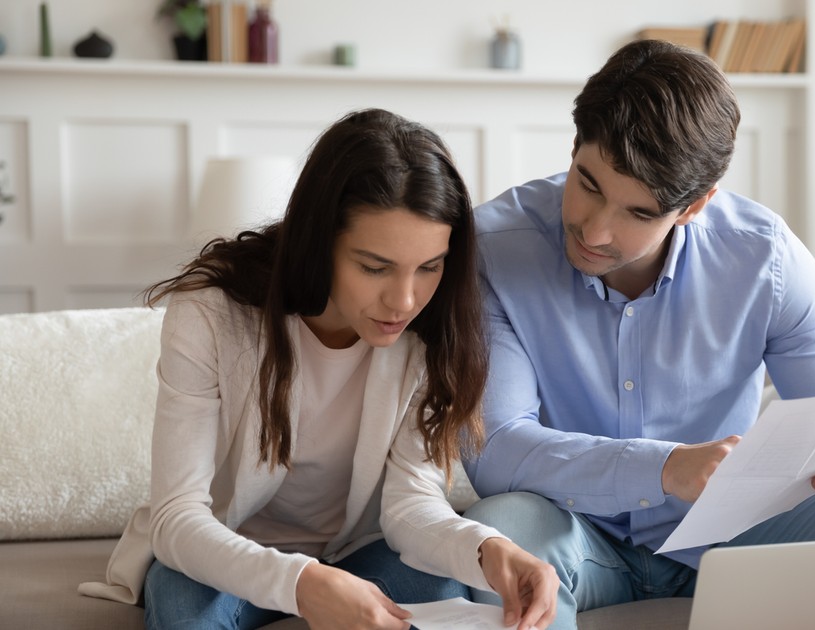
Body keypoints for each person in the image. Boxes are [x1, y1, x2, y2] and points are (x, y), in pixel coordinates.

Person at [462, 40, 815, 626]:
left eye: (638, 213)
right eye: (587, 183)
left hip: (728, 535)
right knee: (501, 531)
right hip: (572, 534)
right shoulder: (493, 249)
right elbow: (498, 449)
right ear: (574, 147)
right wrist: (664, 469)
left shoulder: (766, 260)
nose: (594, 229)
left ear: (695, 206)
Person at [78, 109, 557, 630]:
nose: (404, 299)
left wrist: (489, 548)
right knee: (182, 614)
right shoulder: (210, 315)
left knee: (447, 589)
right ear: (318, 241)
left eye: (429, 267)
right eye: (374, 267)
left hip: (358, 554)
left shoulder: (432, 332)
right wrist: (304, 584)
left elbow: (410, 504)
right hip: (222, 550)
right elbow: (178, 519)